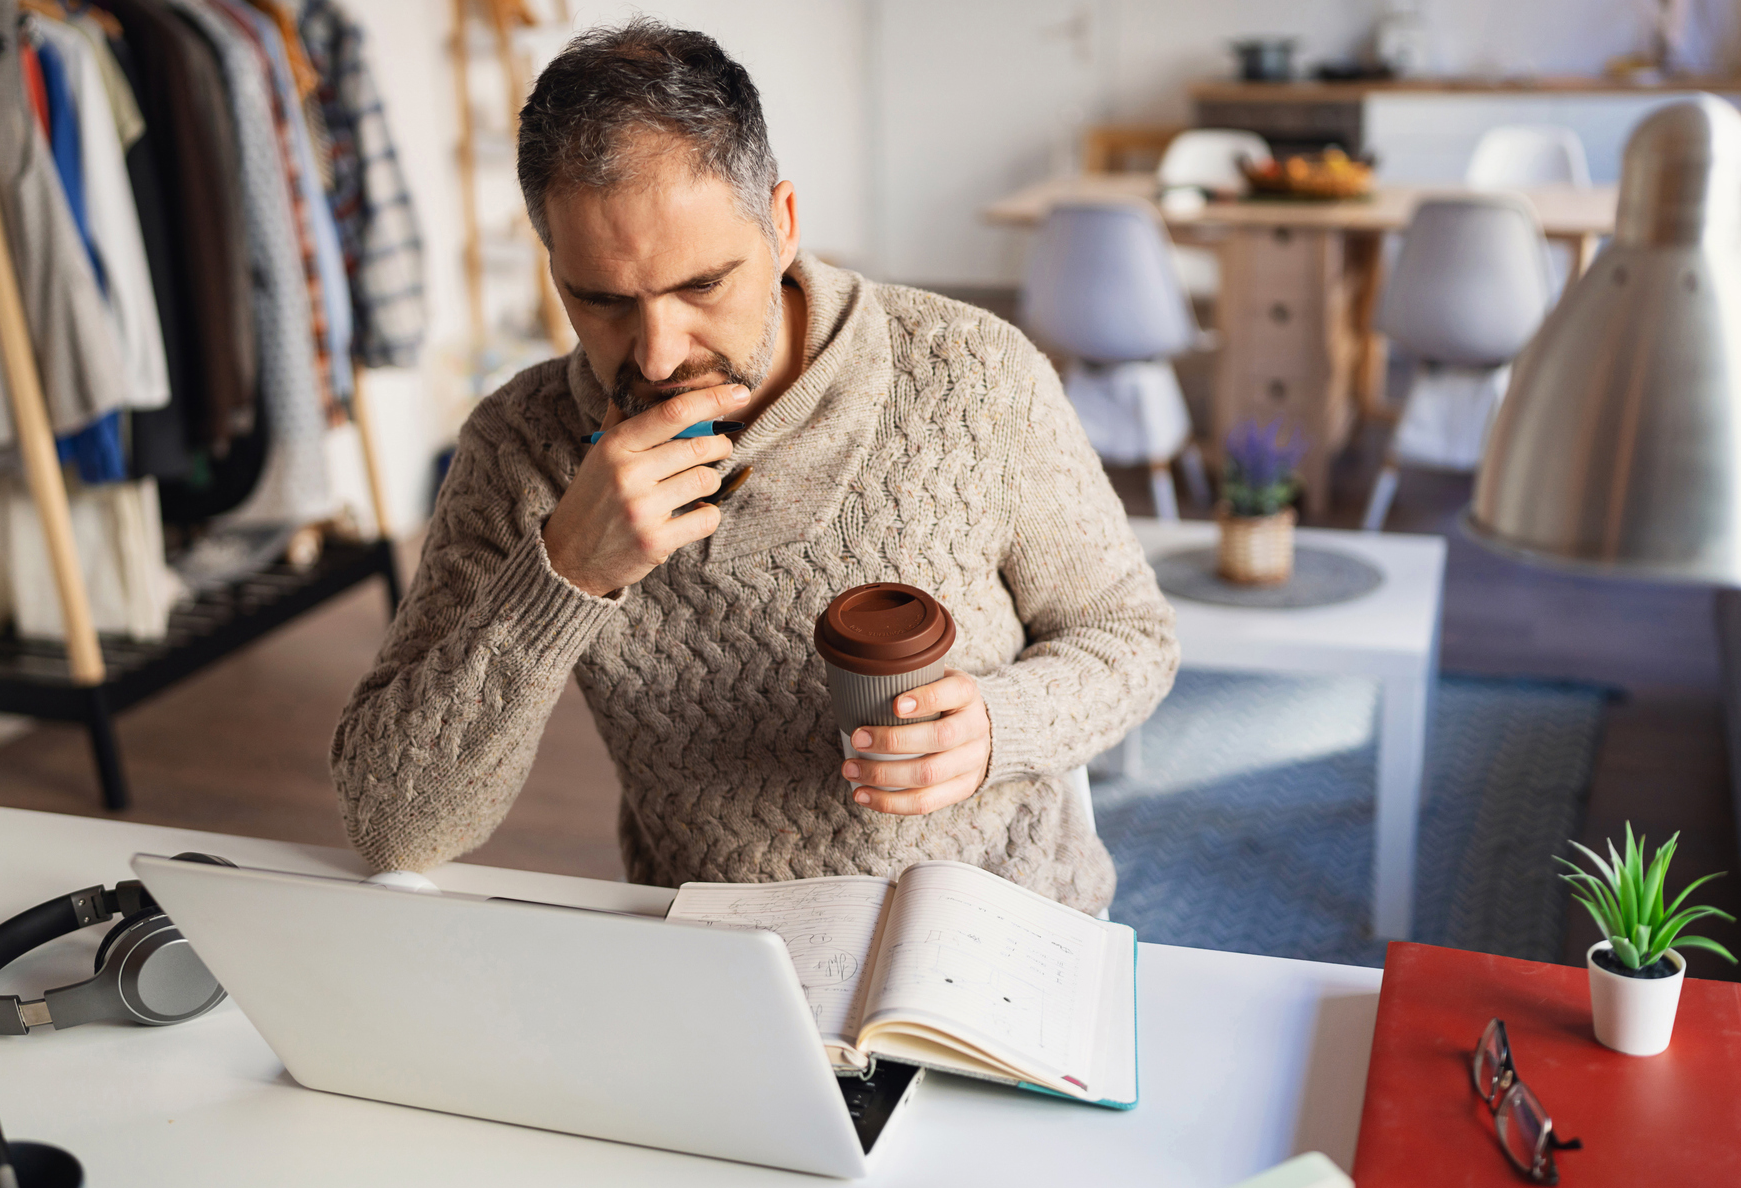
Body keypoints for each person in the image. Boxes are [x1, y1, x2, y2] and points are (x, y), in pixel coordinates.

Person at [331, 18, 1177, 913]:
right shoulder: (518, 449)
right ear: (554, 266)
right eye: (602, 300)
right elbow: (396, 830)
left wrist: (998, 728)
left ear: (780, 223)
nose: (656, 356)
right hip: (718, 953)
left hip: (999, 930)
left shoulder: (971, 373)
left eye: (701, 287)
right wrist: (565, 572)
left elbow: (1130, 637)